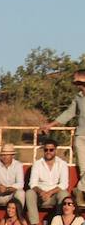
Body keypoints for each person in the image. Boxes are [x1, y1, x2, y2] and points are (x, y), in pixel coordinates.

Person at [44, 69, 85, 202]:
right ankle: (80, 192)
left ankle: (79, 189)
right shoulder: (78, 97)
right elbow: (69, 113)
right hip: (81, 135)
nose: (76, 84)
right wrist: (51, 125)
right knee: (83, 168)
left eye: (77, 81)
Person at [27, 139, 70, 225]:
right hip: (40, 195)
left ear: (55, 150)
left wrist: (50, 193)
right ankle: (35, 224)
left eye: (51, 150)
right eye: (46, 150)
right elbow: (32, 183)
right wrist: (41, 192)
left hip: (54, 195)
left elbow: (64, 184)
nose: (48, 152)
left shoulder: (62, 164)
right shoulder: (37, 164)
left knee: (64, 193)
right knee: (29, 193)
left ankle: (58, 223)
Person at [0, 144, 26, 211]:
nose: (4, 157)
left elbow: (20, 184)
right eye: (3, 155)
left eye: (7, 155)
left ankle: (19, 217)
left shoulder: (18, 165)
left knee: (21, 193)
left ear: (12, 156)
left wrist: (7, 189)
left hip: (11, 195)